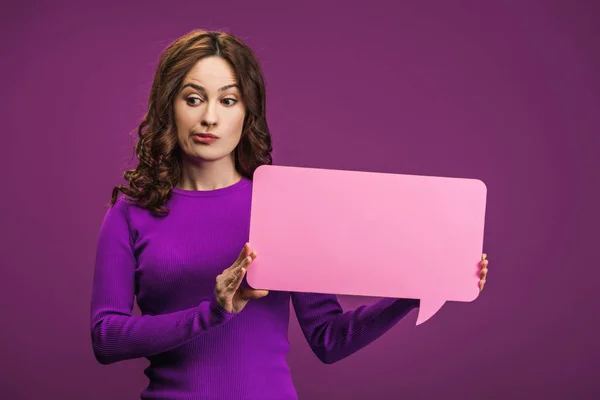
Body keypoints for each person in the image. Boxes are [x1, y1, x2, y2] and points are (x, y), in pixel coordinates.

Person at [90, 28, 490, 400]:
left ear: (247, 112)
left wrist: (416, 290)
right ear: (168, 106)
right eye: (193, 98)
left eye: (228, 100)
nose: (209, 117)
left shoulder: (283, 205)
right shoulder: (131, 214)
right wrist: (211, 313)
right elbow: (106, 338)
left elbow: (329, 339)